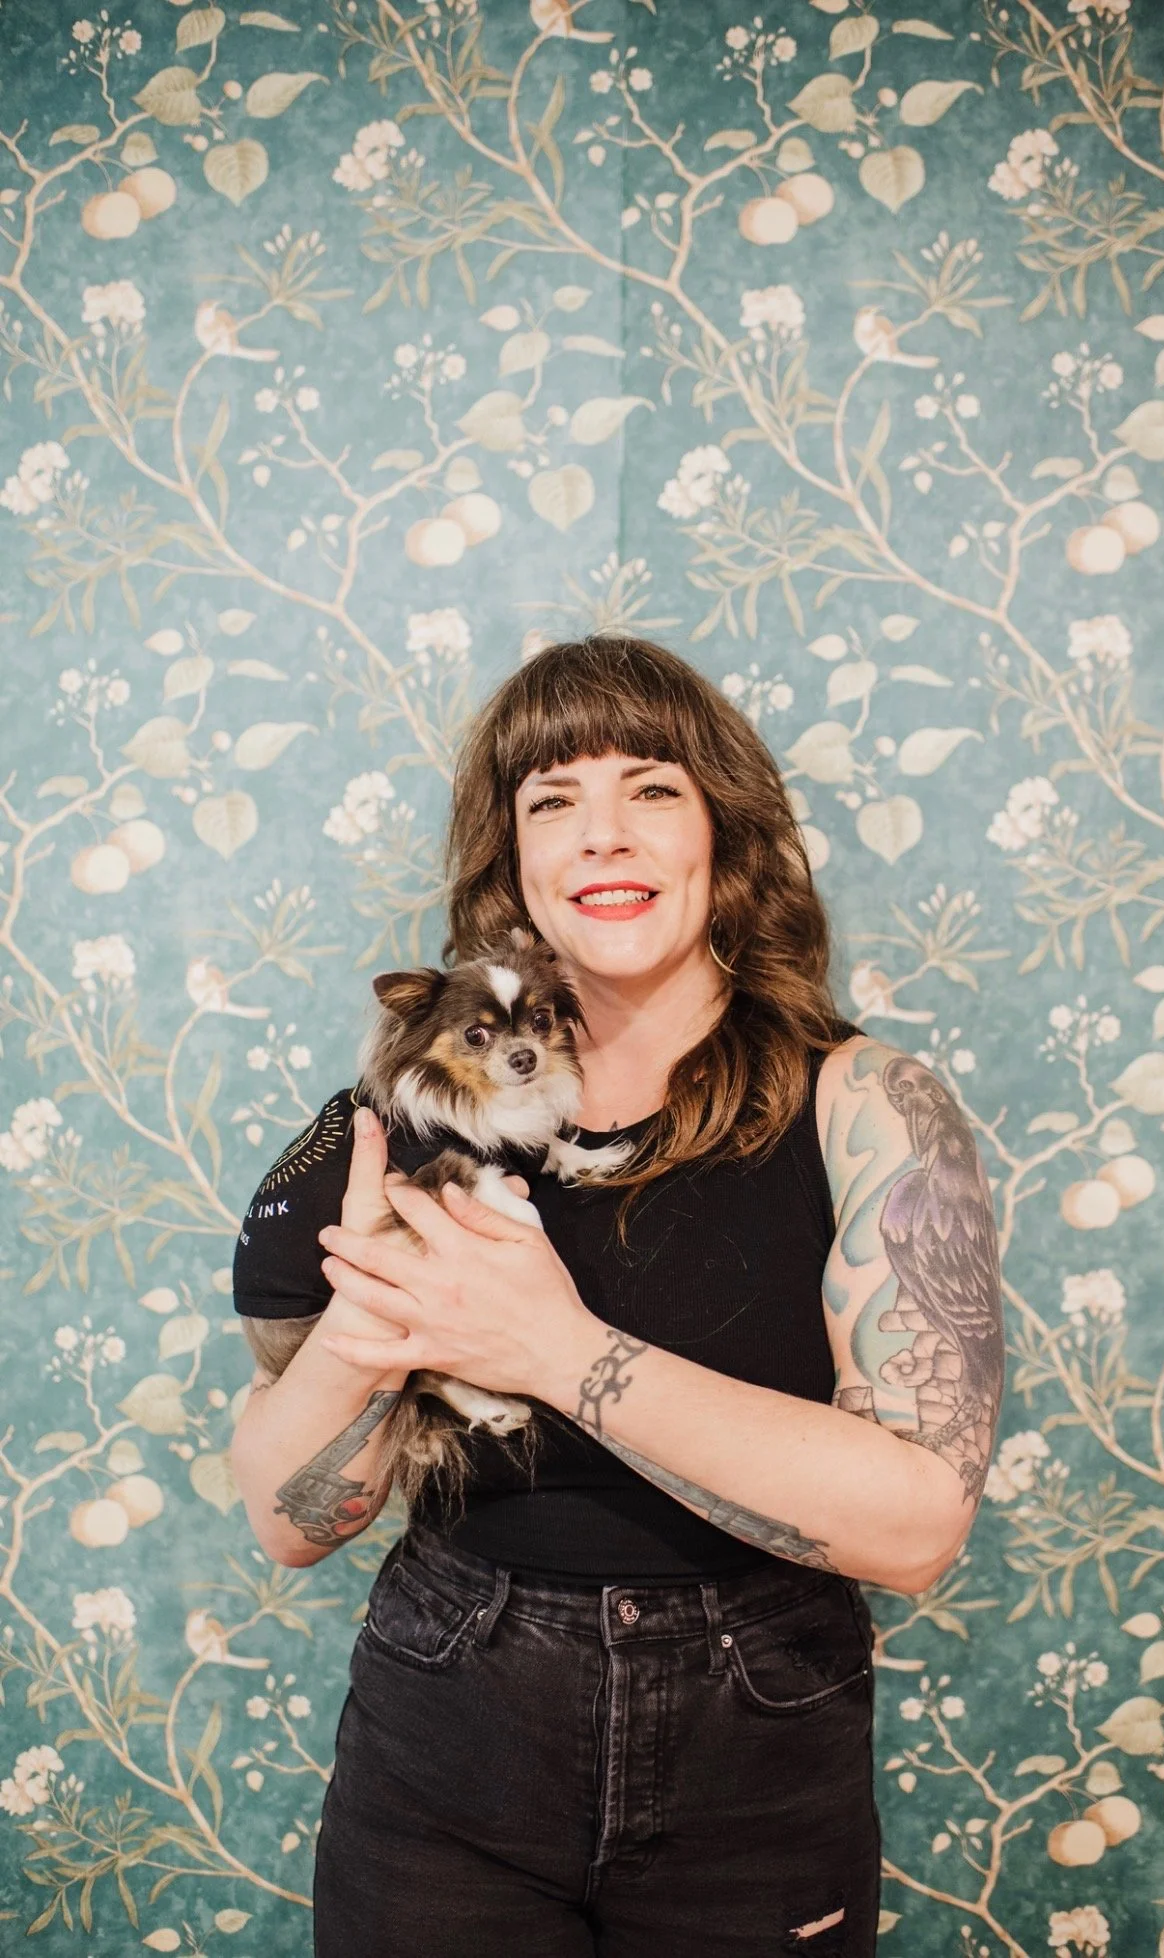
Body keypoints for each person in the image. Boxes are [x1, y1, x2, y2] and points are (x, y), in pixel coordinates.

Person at [229, 633, 1005, 1958]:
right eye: (552, 800)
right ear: (515, 865)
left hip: (759, 1734)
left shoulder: (868, 1103)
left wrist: (553, 1343)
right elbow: (291, 1521)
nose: (601, 833)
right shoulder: (407, 1118)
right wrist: (363, 1333)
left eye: (649, 787)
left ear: (723, 831)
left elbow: (920, 1523)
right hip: (448, 1723)